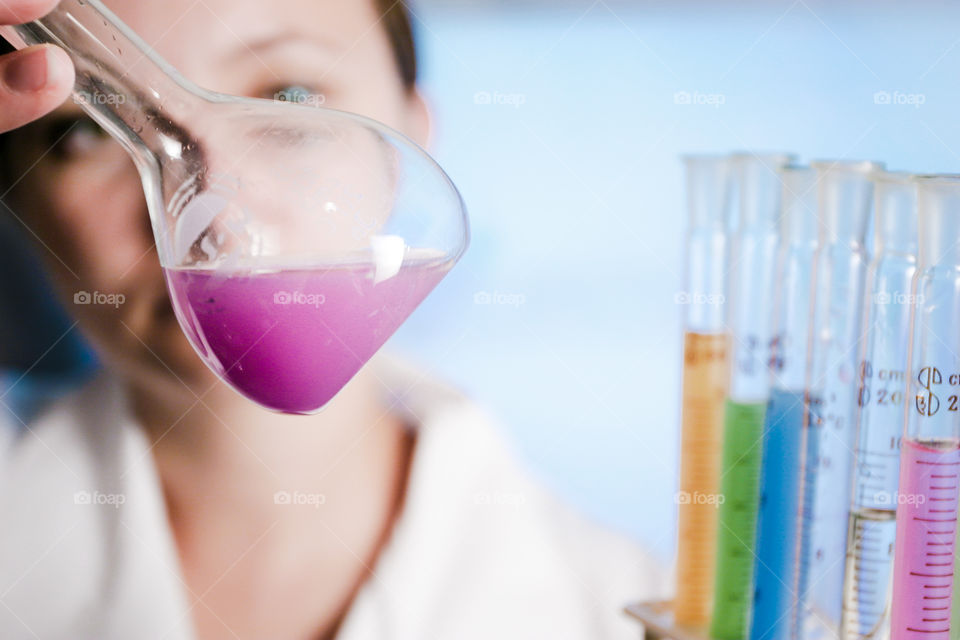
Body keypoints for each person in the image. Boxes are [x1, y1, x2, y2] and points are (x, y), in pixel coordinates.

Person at [0, 0, 665, 638]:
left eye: (290, 97)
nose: (217, 219)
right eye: (91, 128)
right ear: (20, 201)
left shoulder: (624, 613)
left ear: (414, 132)